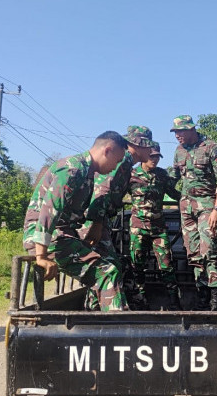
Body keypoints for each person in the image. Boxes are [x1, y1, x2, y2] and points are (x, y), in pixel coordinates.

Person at [23, 130, 129, 311]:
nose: (116, 166)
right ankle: (117, 327)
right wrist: (41, 256)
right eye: (117, 160)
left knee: (111, 264)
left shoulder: (87, 172)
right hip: (49, 239)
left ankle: (97, 319)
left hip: (64, 236)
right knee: (106, 272)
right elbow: (49, 212)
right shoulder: (73, 169)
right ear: (107, 150)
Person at [80, 125, 155, 310]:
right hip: (94, 221)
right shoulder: (122, 161)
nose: (151, 151)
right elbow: (103, 188)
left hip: (100, 218)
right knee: (103, 266)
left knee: (107, 265)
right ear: (137, 145)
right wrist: (97, 223)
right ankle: (95, 312)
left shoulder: (127, 162)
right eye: (148, 146)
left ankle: (95, 309)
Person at [169, 114, 217, 310]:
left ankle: (216, 299)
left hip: (207, 206)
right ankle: (202, 296)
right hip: (186, 208)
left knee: (209, 249)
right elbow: (173, 177)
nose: (178, 136)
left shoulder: (211, 147)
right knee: (193, 253)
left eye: (181, 131)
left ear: (192, 129)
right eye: (175, 132)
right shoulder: (179, 151)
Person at [127, 142, 182, 310]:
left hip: (158, 228)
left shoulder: (162, 175)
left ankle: (174, 302)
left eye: (158, 157)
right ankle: (140, 299)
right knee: (137, 265)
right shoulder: (131, 175)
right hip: (138, 227)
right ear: (145, 156)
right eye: (152, 156)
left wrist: (192, 201)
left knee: (167, 264)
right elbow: (118, 193)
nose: (155, 160)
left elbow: (174, 194)